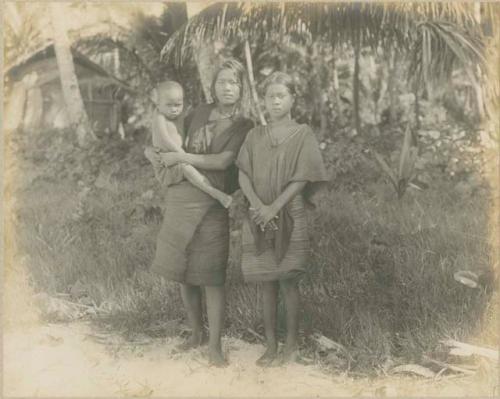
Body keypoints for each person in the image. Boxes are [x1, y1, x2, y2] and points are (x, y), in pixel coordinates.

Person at [150, 59, 254, 366]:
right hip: (181, 198)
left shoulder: (243, 124)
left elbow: (223, 161)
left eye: (232, 82)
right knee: (184, 272)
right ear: (214, 85)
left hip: (213, 202)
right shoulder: (197, 112)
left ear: (241, 87)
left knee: (212, 274)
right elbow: (165, 136)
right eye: (221, 81)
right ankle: (195, 334)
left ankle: (214, 346)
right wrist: (159, 156)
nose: (226, 87)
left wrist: (181, 157)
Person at [235, 71, 328, 367]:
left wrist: (274, 207)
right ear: (263, 100)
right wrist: (257, 205)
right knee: (266, 282)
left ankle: (292, 344)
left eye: (281, 96)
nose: (274, 101)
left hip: (289, 212)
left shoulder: (303, 134)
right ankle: (271, 344)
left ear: (292, 99)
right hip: (258, 215)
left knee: (288, 280)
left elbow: (302, 177)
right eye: (269, 96)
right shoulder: (254, 135)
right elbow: (243, 173)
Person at [144, 81, 232, 208]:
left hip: (179, 158)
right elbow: (165, 139)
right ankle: (215, 193)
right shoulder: (160, 116)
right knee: (186, 168)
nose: (174, 109)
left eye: (178, 105)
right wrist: (182, 155)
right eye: (169, 105)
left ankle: (210, 190)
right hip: (165, 165)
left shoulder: (180, 114)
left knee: (190, 169)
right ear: (158, 104)